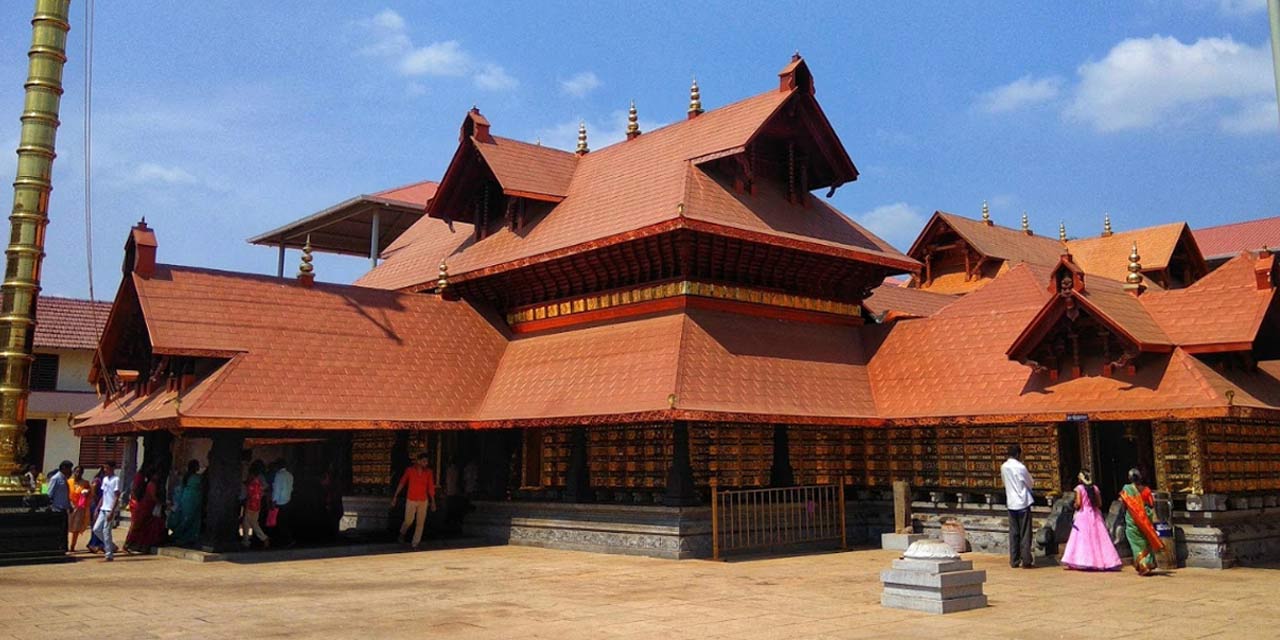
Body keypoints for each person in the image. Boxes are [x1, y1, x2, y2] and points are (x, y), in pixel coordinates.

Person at [1060, 470, 1122, 571]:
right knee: (1098, 539)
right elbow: (1099, 504)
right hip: (1095, 515)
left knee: (1082, 539)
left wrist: (1074, 506)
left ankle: (1083, 561)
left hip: (1083, 515)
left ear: (1080, 479)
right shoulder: (1095, 488)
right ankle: (1102, 561)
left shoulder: (1079, 489)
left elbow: (1079, 503)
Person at [1120, 468, 1163, 576]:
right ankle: (1148, 563)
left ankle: (1143, 565)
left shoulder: (1127, 488)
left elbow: (1123, 503)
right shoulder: (1146, 490)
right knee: (1145, 541)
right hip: (1145, 518)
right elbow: (1151, 504)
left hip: (1133, 518)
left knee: (1136, 543)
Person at [393, 453, 437, 550]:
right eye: (423, 461)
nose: (425, 463)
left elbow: (430, 487)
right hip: (411, 499)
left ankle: (415, 543)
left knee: (420, 522)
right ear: (418, 461)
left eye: (426, 462)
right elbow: (402, 482)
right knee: (409, 520)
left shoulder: (428, 472)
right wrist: (395, 496)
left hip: (423, 500)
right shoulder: (410, 470)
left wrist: (433, 501)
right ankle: (402, 532)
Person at [1001, 444, 1034, 568]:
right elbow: (1030, 483)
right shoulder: (1021, 467)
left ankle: (1014, 560)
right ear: (1018, 454)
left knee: (1014, 532)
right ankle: (1026, 559)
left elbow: (1005, 482)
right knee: (1025, 532)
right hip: (1023, 502)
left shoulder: (1004, 467)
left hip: (1011, 502)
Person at [125, 463, 164, 553]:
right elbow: (153, 497)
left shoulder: (147, 483)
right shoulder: (151, 484)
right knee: (139, 526)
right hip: (146, 507)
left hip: (145, 507)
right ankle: (129, 544)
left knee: (142, 526)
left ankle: (137, 544)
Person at [167, 460, 204, 546]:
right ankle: (181, 536)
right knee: (189, 519)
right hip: (193, 499)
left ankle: (182, 536)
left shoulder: (186, 477)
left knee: (185, 518)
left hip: (186, 498)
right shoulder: (197, 478)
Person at [91, 461, 122, 561]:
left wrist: (113, 511)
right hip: (103, 508)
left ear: (112, 468)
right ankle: (111, 546)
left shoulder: (116, 480)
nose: (105, 470)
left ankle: (109, 555)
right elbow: (104, 496)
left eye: (107, 468)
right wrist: (98, 508)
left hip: (110, 509)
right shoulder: (105, 479)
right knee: (96, 529)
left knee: (106, 531)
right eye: (104, 468)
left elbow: (117, 496)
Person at [242, 459, 270, 549]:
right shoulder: (260, 478)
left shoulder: (254, 480)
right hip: (256, 502)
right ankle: (246, 541)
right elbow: (265, 488)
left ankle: (264, 538)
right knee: (246, 522)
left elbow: (249, 488)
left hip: (251, 503)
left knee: (252, 522)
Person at [268, 459, 294, 548]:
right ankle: (287, 540)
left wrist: (273, 502)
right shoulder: (290, 475)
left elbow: (277, 490)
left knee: (278, 522)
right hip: (287, 500)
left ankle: (284, 540)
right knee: (285, 522)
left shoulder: (279, 475)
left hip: (279, 502)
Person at [67, 465, 92, 552]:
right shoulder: (69, 482)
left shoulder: (85, 483)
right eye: (76, 471)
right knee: (67, 526)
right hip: (69, 506)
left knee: (76, 528)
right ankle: (64, 544)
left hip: (80, 507)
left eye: (80, 472)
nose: (78, 474)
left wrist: (87, 492)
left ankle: (72, 546)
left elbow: (90, 494)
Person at [86, 465, 106, 553]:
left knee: (100, 526)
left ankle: (98, 543)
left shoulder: (103, 480)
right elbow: (93, 492)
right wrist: (98, 503)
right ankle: (93, 544)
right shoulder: (97, 480)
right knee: (96, 525)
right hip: (96, 504)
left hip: (100, 503)